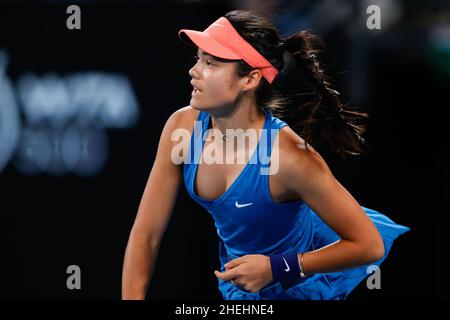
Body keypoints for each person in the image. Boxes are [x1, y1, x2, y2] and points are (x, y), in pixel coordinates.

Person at [122, 10, 410, 300]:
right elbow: (146, 235)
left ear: (250, 80)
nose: (194, 70)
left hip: (302, 291)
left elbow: (369, 245)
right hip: (242, 293)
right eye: (198, 58)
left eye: (210, 63)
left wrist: (277, 268)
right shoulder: (181, 127)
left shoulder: (290, 158)